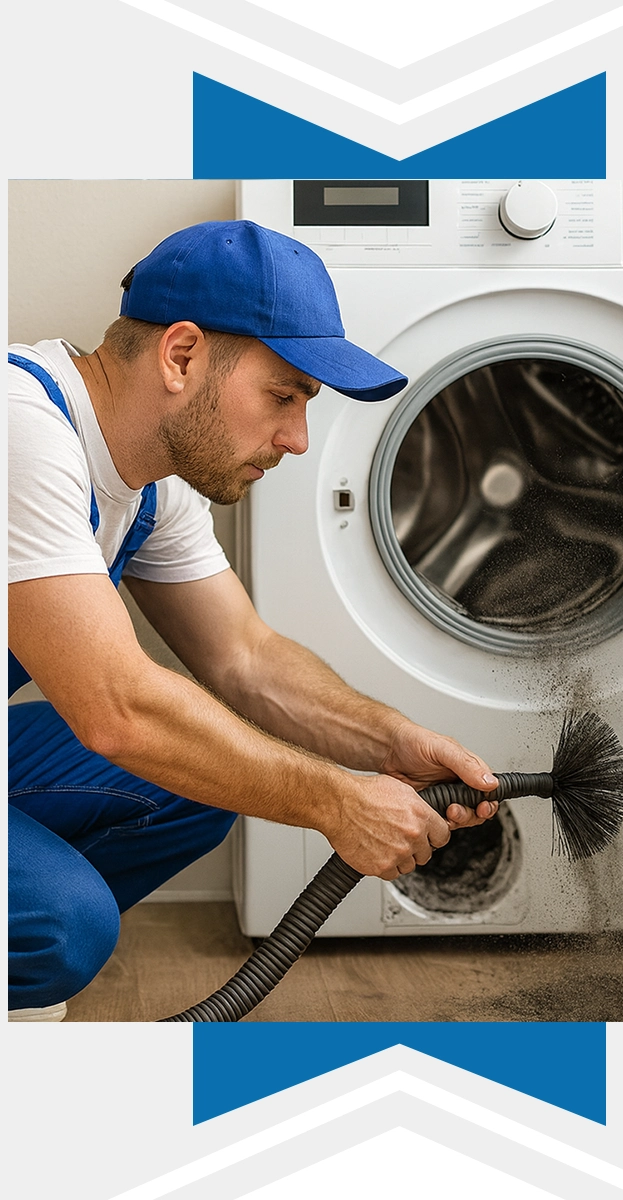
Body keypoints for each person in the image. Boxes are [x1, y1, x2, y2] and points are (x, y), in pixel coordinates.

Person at [8, 219, 499, 1021]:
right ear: (181, 355)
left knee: (204, 777)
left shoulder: (151, 484)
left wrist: (389, 745)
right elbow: (117, 709)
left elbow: (245, 658)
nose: (297, 440)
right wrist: (338, 802)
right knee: (61, 924)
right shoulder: (21, 432)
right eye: (283, 396)